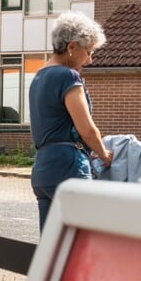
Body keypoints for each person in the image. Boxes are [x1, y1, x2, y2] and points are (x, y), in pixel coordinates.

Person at [30, 12, 113, 229]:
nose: (90, 59)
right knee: (80, 240)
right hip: (69, 167)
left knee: (52, 244)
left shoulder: (38, 77)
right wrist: (103, 154)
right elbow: (86, 128)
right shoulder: (68, 76)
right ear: (72, 47)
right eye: (89, 51)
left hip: (43, 169)